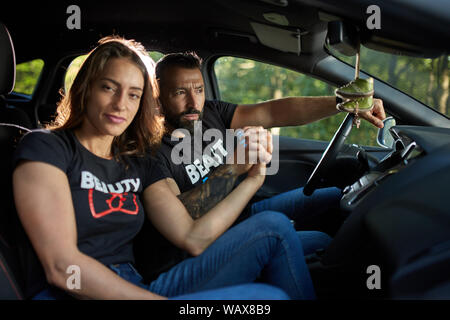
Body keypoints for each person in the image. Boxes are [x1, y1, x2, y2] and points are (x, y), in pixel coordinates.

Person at [12, 36, 315, 300]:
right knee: (271, 266)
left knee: (270, 289)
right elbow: (63, 268)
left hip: (136, 284)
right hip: (75, 293)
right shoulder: (46, 147)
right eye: (109, 87)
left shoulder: (137, 162)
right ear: (85, 88)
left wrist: (251, 178)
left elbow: (192, 237)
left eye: (133, 94)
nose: (121, 104)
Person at [134, 51, 386, 281]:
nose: (193, 102)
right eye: (179, 92)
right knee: (316, 241)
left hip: (240, 214)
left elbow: (274, 112)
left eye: (199, 90)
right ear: (156, 96)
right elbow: (183, 217)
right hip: (210, 241)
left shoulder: (211, 113)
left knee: (336, 197)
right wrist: (234, 167)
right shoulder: (151, 153)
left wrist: (342, 102)